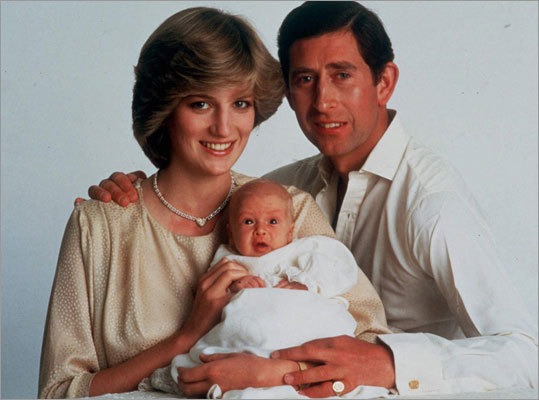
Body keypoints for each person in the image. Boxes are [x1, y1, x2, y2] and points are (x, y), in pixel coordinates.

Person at [88, 1, 538, 397]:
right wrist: (133, 188)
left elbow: (526, 354)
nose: (322, 100)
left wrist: (389, 363)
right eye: (305, 79)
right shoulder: (285, 191)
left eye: (342, 75)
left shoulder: (431, 205)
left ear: (385, 83)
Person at [39, 6, 391, 399]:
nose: (224, 128)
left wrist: (275, 373)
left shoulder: (289, 207)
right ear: (164, 108)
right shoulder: (99, 225)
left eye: (240, 103)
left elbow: (372, 348)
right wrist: (185, 337)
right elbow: (58, 392)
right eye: (200, 104)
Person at [140, 179, 390, 398]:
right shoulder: (228, 258)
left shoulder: (303, 250)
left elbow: (340, 265)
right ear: (230, 233)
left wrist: (307, 283)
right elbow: (213, 296)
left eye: (272, 221)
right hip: (252, 338)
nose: (261, 230)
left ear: (290, 231)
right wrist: (236, 285)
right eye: (248, 221)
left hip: (303, 323)